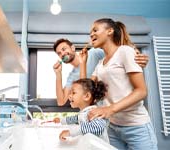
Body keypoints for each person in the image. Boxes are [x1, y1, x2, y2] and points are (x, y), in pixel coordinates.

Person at [79, 18, 157, 150]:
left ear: (110, 31)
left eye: (95, 30)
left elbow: (141, 91)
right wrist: (82, 63)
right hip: (113, 128)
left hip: (137, 127)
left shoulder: (125, 51)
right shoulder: (100, 64)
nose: (91, 34)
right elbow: (86, 92)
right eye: (90, 32)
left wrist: (109, 109)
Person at [53, 38, 149, 106]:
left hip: (121, 102)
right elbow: (61, 101)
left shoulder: (94, 53)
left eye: (64, 49)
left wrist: (136, 53)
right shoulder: (72, 77)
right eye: (59, 53)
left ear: (73, 48)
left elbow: (118, 50)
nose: (62, 53)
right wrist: (58, 74)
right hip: (102, 111)